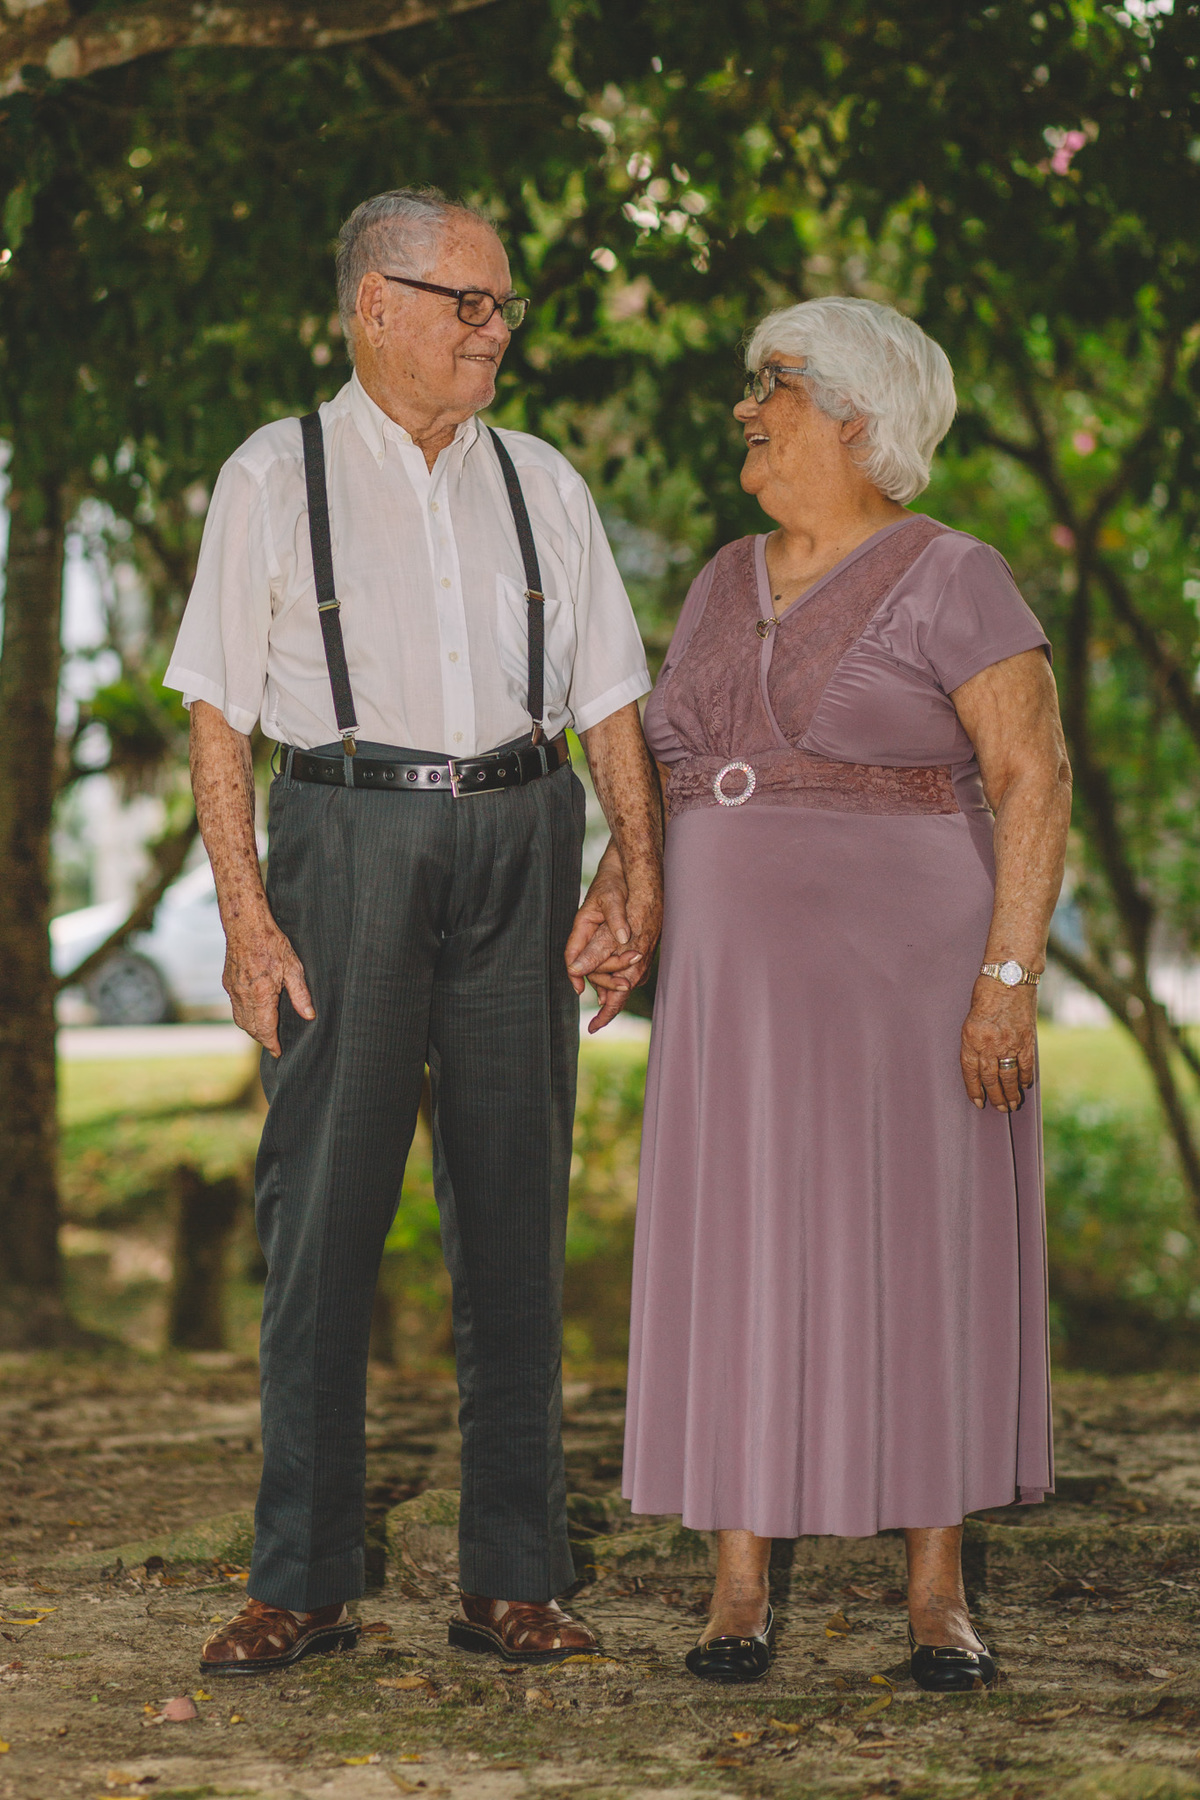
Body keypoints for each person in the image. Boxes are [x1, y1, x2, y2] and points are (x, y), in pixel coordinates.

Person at [164, 188, 662, 1674]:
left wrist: (636, 875)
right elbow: (216, 719)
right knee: (321, 1216)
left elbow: (613, 702)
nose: (496, 330)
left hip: (525, 829)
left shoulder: (543, 481)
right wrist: (249, 925)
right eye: (470, 303)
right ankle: (300, 1575)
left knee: (514, 1208)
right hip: (348, 841)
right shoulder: (272, 474)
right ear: (376, 304)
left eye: (504, 306)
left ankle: (516, 1575)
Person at [611, 296, 1071, 1688]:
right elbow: (668, 769)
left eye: (780, 384)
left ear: (861, 417)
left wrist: (1006, 982)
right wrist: (613, 896)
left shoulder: (958, 572)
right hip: (733, 997)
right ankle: (736, 1583)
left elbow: (1033, 780)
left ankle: (939, 1592)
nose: (750, 404)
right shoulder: (716, 578)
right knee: (737, 1241)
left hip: (912, 983)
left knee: (920, 1244)